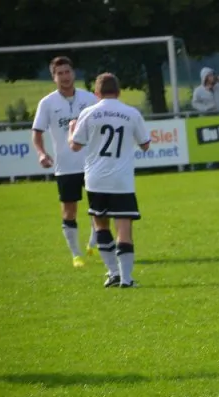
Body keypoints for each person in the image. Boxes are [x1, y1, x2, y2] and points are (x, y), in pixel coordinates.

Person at [68, 73, 151, 288]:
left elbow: (75, 145)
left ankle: (113, 273)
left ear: (97, 93)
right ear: (119, 92)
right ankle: (126, 278)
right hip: (121, 180)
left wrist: (71, 130)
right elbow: (145, 145)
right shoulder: (131, 113)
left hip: (96, 180)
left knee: (101, 226)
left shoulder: (88, 113)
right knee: (124, 228)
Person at [32, 56, 98, 268]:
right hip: (66, 166)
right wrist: (41, 153)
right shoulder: (47, 103)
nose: (65, 76)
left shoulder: (89, 98)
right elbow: (37, 133)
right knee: (69, 211)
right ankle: (76, 254)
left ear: (73, 73)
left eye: (67, 72)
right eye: (59, 73)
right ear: (54, 77)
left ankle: (94, 243)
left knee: (99, 207)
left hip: (92, 163)